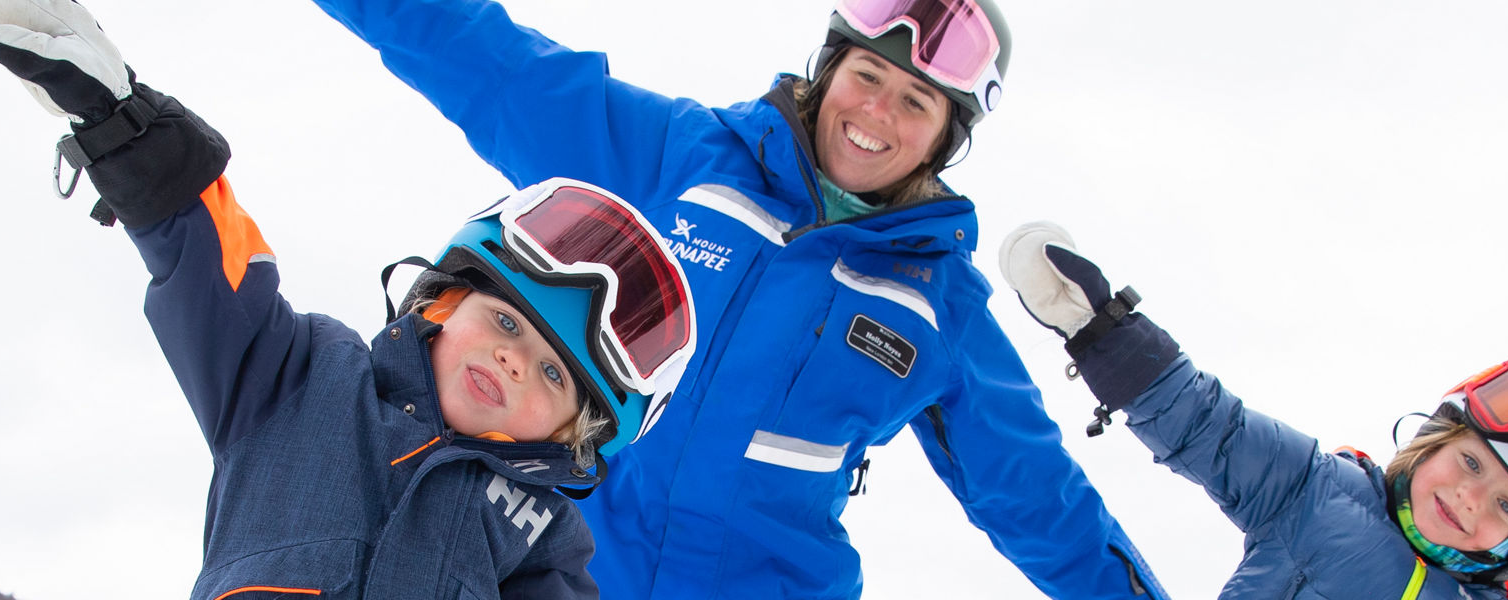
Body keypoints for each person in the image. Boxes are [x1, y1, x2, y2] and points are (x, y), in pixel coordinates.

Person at [295, 0, 1163, 597]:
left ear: (947, 136)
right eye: (867, 76)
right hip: (572, 578)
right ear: (830, 68)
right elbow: (489, 67)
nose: (877, 113)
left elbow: (1041, 503)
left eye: (916, 102)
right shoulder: (681, 157)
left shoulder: (942, 308)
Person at [0, 1, 701, 597]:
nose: (511, 360)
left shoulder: (543, 543)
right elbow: (211, 262)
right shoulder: (301, 380)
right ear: (440, 305)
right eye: (505, 320)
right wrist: (122, 121)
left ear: (574, 432)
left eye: (550, 374)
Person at [998, 222, 1508, 599]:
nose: (1470, 498)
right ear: (1431, 443)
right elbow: (1208, 425)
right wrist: (1105, 330)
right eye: (1470, 461)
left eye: (1504, 506)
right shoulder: (1314, 490)